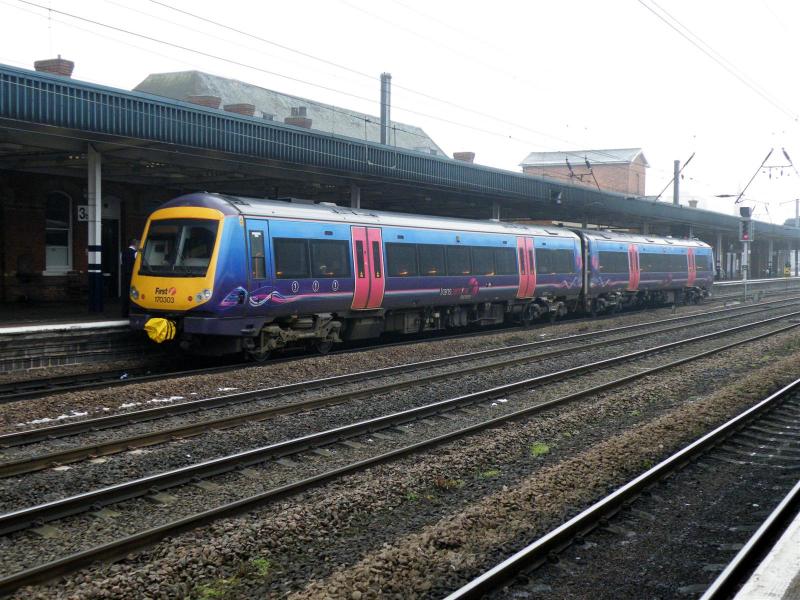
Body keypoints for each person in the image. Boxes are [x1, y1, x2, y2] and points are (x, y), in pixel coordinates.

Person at [121, 238, 138, 317]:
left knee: (125, 294)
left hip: (124, 275)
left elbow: (122, 263)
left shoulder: (123, 252)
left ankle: (124, 312)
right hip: (132, 275)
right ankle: (130, 312)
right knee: (133, 294)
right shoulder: (136, 253)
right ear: (135, 244)